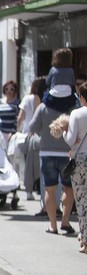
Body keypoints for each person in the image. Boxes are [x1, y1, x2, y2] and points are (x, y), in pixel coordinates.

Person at [29, 97, 76, 235]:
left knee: (50, 189)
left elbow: (33, 127)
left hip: (47, 153)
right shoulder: (73, 106)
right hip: (67, 153)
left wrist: (44, 135)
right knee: (68, 188)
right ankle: (65, 222)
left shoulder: (44, 106)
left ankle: (52, 225)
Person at [65, 82, 87, 253]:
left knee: (82, 201)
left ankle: (85, 240)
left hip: (80, 160)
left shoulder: (77, 114)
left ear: (81, 97)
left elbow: (71, 139)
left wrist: (65, 132)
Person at [19, 77, 47, 200]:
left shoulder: (28, 98)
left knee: (29, 163)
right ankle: (37, 188)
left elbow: (21, 117)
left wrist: (17, 131)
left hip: (29, 134)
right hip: (38, 134)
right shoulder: (43, 100)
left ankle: (30, 189)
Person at [42, 48, 78, 113]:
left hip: (53, 97)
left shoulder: (53, 69)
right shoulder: (71, 71)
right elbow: (72, 83)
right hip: (68, 97)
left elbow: (47, 82)